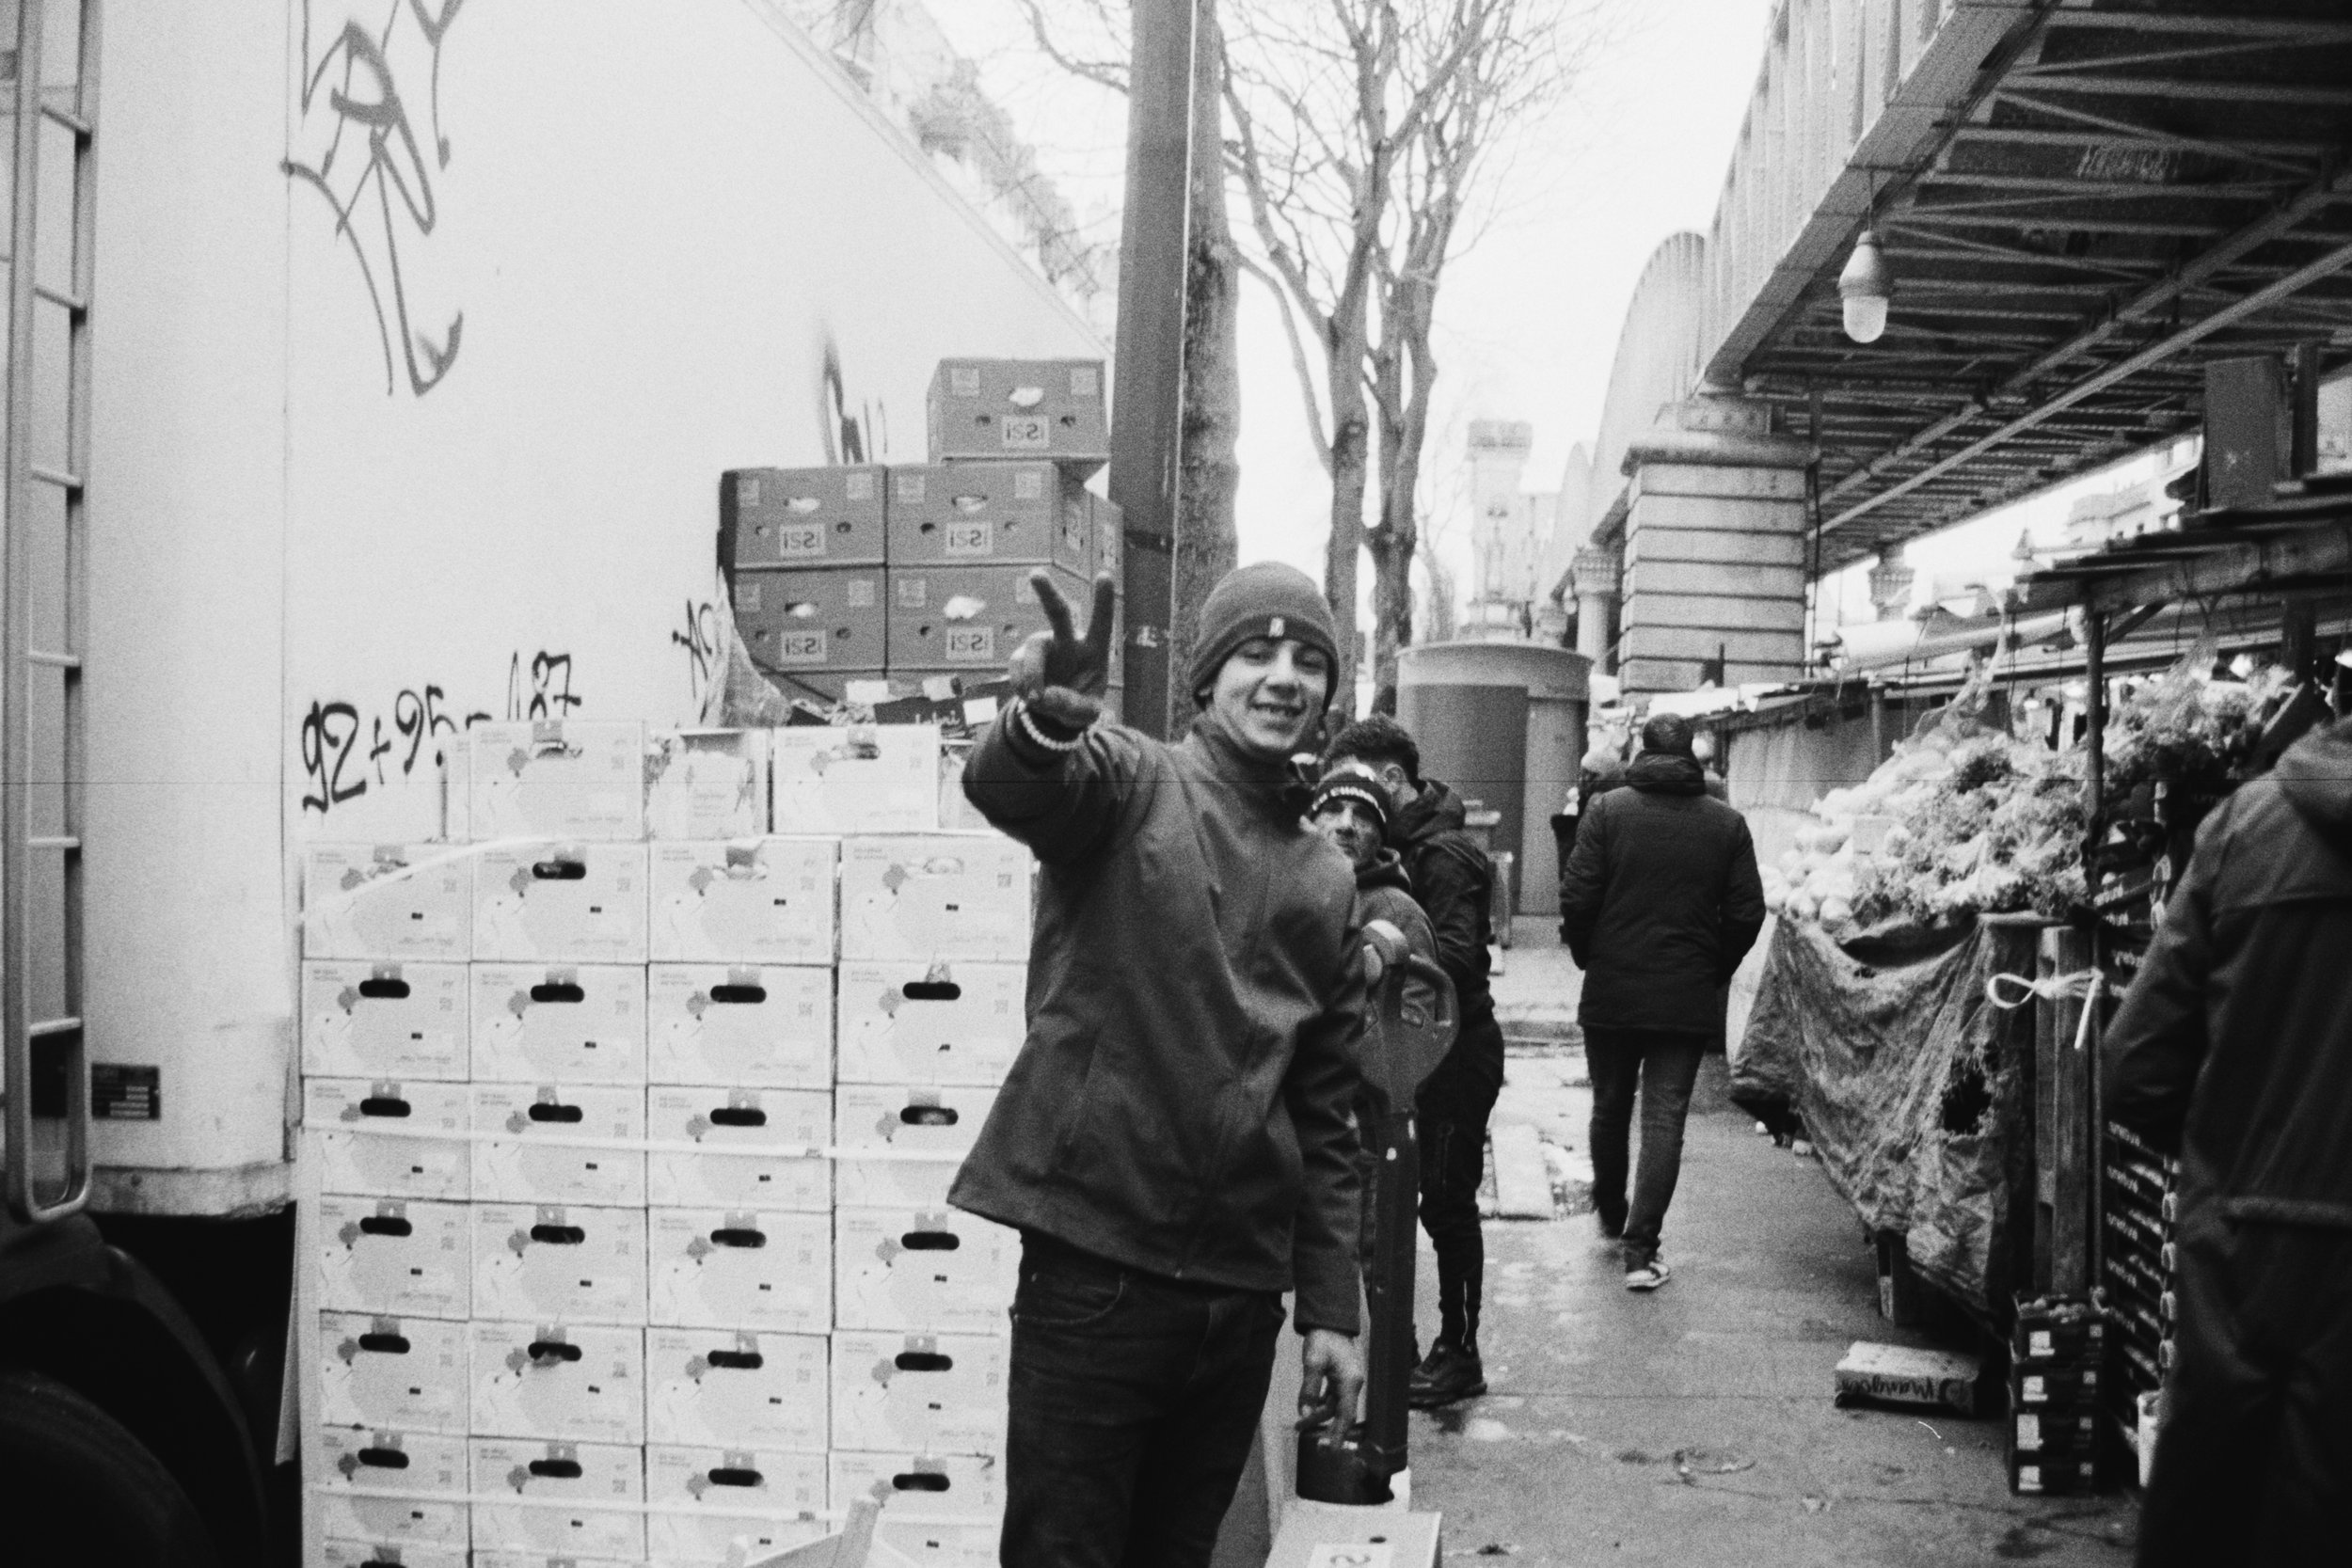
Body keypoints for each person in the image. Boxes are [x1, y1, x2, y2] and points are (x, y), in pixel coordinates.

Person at [954, 562, 1368, 1568]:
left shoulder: (1326, 874)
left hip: (1235, 1305)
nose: (1284, 677)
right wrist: (1046, 723)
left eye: (1309, 661)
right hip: (1097, 1274)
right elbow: (1011, 788)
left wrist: (1331, 1310)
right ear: (1207, 676)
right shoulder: (1133, 781)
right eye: (1256, 653)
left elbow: (1325, 1112)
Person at [2101, 714, 2352, 1565]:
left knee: (2209, 1514)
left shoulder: (2247, 826)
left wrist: (2228, 1155)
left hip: (2238, 1245)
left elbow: (2135, 1068)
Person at [1323, 714, 1504, 1407]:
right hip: (1419, 1054)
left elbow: (1454, 959)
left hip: (1453, 1057)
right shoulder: (1405, 846)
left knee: (1446, 1204)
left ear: (1392, 780)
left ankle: (1459, 1353)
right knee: (1401, 1206)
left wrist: (1387, 953)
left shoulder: (1441, 854)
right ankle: (1405, 1345)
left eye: (1365, 795)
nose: (1352, 818)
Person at [1557, 711, 1765, 1291]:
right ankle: (1640, 1254)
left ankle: (1610, 1211)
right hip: (1684, 993)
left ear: (1642, 750)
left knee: (1609, 1105)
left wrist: (1589, 955)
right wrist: (1711, 969)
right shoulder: (1727, 823)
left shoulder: (1607, 810)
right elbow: (1747, 912)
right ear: (1692, 753)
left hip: (1612, 988)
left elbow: (1576, 896)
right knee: (1664, 1118)